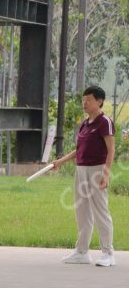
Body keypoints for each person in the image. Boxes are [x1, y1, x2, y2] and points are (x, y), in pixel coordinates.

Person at [53, 86, 116, 267]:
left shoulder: (105, 122)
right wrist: (60, 162)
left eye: (88, 99)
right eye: (83, 99)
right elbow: (79, 149)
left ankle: (108, 253)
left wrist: (106, 173)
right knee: (82, 212)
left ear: (99, 101)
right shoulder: (85, 123)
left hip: (97, 169)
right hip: (81, 170)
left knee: (100, 211)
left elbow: (111, 149)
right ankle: (82, 252)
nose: (85, 103)